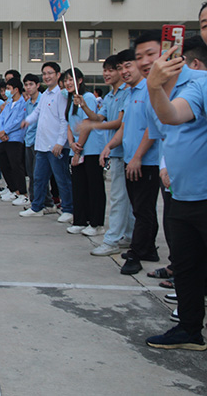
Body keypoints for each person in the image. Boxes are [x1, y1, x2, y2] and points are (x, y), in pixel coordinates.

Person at [143, 38, 207, 350]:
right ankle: (190, 330)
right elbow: (168, 124)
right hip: (181, 195)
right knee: (186, 266)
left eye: (150, 55)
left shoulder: (200, 81)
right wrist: (155, 88)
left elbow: (172, 116)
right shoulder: (165, 89)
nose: (146, 62)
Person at [100, 33, 162, 275]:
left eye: (129, 65)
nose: (125, 71)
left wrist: (137, 157)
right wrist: (110, 146)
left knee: (143, 210)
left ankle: (136, 256)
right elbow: (124, 126)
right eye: (121, 67)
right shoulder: (132, 92)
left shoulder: (150, 89)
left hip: (146, 161)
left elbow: (152, 128)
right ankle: (148, 249)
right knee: (139, 208)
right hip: (130, 159)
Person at [83, 55, 133, 255]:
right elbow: (98, 116)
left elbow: (120, 122)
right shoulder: (110, 96)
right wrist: (85, 107)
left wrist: (93, 125)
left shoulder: (127, 93)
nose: (107, 74)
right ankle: (128, 236)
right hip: (115, 150)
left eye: (111, 70)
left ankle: (112, 239)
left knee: (119, 197)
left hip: (122, 150)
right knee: (125, 197)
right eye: (105, 70)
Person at [18, 62, 74, 223]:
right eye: (44, 73)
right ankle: (37, 207)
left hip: (56, 147)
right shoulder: (45, 95)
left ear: (58, 75)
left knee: (61, 179)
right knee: (38, 178)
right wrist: (27, 121)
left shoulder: (61, 95)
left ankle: (68, 209)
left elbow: (65, 120)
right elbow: (37, 112)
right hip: (41, 145)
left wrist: (60, 142)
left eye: (50, 73)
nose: (47, 76)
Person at [64, 68, 106, 236]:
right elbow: (69, 124)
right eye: (66, 80)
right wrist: (71, 143)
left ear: (80, 80)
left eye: (71, 80)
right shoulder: (69, 99)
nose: (68, 83)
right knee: (79, 186)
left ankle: (96, 223)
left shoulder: (87, 98)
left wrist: (77, 149)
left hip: (91, 148)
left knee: (94, 186)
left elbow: (87, 123)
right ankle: (80, 220)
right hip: (77, 147)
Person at [0, 78, 28, 206]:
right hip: (4, 138)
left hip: (14, 138)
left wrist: (6, 131)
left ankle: (23, 193)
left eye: (9, 88)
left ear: (16, 89)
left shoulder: (22, 104)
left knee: (16, 165)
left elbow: (19, 121)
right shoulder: (8, 104)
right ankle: (13, 189)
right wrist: (1, 131)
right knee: (4, 163)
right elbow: (1, 118)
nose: (6, 92)